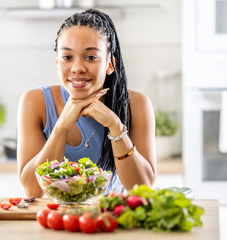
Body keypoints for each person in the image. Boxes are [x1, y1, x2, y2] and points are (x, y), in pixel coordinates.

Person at [17, 9, 156, 198]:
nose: (77, 68)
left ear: (109, 64)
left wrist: (115, 127)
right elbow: (32, 190)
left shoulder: (137, 105)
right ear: (57, 63)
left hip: (111, 221)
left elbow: (142, 187)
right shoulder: (35, 102)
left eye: (90, 57)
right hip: (54, 221)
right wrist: (61, 127)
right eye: (67, 57)